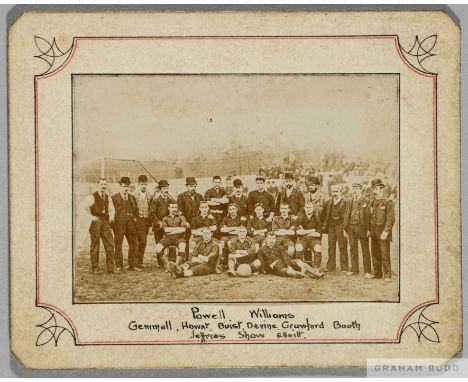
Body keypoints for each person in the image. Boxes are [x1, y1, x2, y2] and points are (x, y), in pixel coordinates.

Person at [83, 178, 118, 274]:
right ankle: (95, 268)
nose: (103, 186)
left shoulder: (107, 197)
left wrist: (111, 217)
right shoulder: (91, 197)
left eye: (105, 184)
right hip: (96, 222)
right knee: (95, 244)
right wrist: (91, 217)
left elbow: (111, 209)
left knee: (110, 244)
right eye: (101, 184)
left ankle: (111, 268)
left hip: (105, 222)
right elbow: (81, 209)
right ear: (97, 184)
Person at [258, 232, 323, 278]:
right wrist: (270, 267)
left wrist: (289, 265)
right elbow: (263, 263)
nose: (271, 241)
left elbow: (285, 257)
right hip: (277, 268)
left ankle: (315, 273)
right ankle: (306, 275)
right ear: (266, 239)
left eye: (273, 239)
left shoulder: (279, 246)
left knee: (298, 261)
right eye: (270, 239)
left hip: (284, 263)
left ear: (275, 239)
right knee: (290, 272)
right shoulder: (261, 250)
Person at [367, 179, 395, 282]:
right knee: (375, 253)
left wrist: (386, 232)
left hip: (383, 231)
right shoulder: (372, 202)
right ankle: (377, 273)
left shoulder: (388, 202)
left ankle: (387, 275)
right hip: (373, 230)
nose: (374, 191)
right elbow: (369, 217)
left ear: (381, 189)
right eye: (373, 189)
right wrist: (369, 230)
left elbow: (391, 219)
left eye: (376, 189)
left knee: (384, 253)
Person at [111, 176, 140, 272]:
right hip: (119, 224)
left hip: (131, 224)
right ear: (120, 186)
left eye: (128, 186)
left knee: (134, 243)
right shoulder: (114, 198)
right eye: (124, 186)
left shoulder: (132, 198)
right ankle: (119, 265)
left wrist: (134, 218)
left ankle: (133, 265)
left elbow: (136, 211)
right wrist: (114, 224)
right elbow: (111, 212)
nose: (126, 188)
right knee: (118, 244)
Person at [343, 182, 371, 278]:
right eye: (353, 188)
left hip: (362, 227)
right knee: (353, 248)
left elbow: (368, 216)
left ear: (360, 189)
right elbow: (346, 215)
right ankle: (354, 270)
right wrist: (345, 228)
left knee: (365, 249)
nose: (354, 190)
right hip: (351, 227)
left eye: (356, 188)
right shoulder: (349, 201)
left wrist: (368, 229)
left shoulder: (366, 200)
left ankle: (367, 271)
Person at [322, 184, 349, 273]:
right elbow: (324, 214)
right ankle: (330, 266)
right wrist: (325, 224)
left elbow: (346, 216)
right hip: (331, 227)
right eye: (333, 192)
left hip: (341, 227)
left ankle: (344, 267)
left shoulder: (346, 202)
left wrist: (345, 228)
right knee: (331, 246)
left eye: (337, 191)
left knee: (342, 246)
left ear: (341, 192)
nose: (335, 193)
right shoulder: (328, 202)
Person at [155, 202, 189, 270]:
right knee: (158, 247)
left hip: (179, 238)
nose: (174, 209)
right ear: (169, 208)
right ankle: (167, 264)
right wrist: (178, 229)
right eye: (172, 207)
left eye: (175, 207)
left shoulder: (181, 217)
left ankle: (176, 265)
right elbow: (166, 230)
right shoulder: (165, 218)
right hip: (167, 238)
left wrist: (171, 230)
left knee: (182, 246)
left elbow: (183, 230)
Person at [177, 177, 204, 253]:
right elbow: (180, 211)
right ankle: (185, 258)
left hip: (197, 223)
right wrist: (185, 222)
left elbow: (203, 209)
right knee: (186, 241)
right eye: (191, 186)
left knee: (199, 240)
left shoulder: (200, 196)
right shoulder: (181, 196)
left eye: (194, 186)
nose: (193, 188)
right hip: (187, 222)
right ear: (187, 186)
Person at [132, 175, 153, 268]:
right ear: (138, 184)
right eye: (142, 184)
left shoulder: (150, 195)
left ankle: (140, 261)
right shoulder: (134, 195)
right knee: (136, 241)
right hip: (137, 221)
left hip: (146, 221)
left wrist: (150, 222)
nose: (144, 186)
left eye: (145, 184)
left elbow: (151, 209)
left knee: (143, 242)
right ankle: (134, 262)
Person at [295, 201, 323, 269]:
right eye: (306, 207)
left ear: (313, 208)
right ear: (304, 208)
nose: (308, 209)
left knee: (318, 248)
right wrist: (312, 230)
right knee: (298, 246)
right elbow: (298, 232)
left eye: (310, 207)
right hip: (302, 239)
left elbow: (318, 234)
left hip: (314, 239)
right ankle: (301, 268)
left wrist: (304, 231)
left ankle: (316, 268)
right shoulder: (300, 218)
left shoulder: (317, 218)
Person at [219, 203, 245, 268]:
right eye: (230, 209)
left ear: (236, 209)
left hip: (236, 236)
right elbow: (222, 230)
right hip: (226, 236)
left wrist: (227, 228)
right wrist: (235, 228)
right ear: (228, 210)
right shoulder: (225, 219)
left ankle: (232, 262)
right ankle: (220, 262)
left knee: (230, 243)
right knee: (221, 242)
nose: (232, 211)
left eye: (233, 209)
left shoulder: (241, 218)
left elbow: (241, 231)